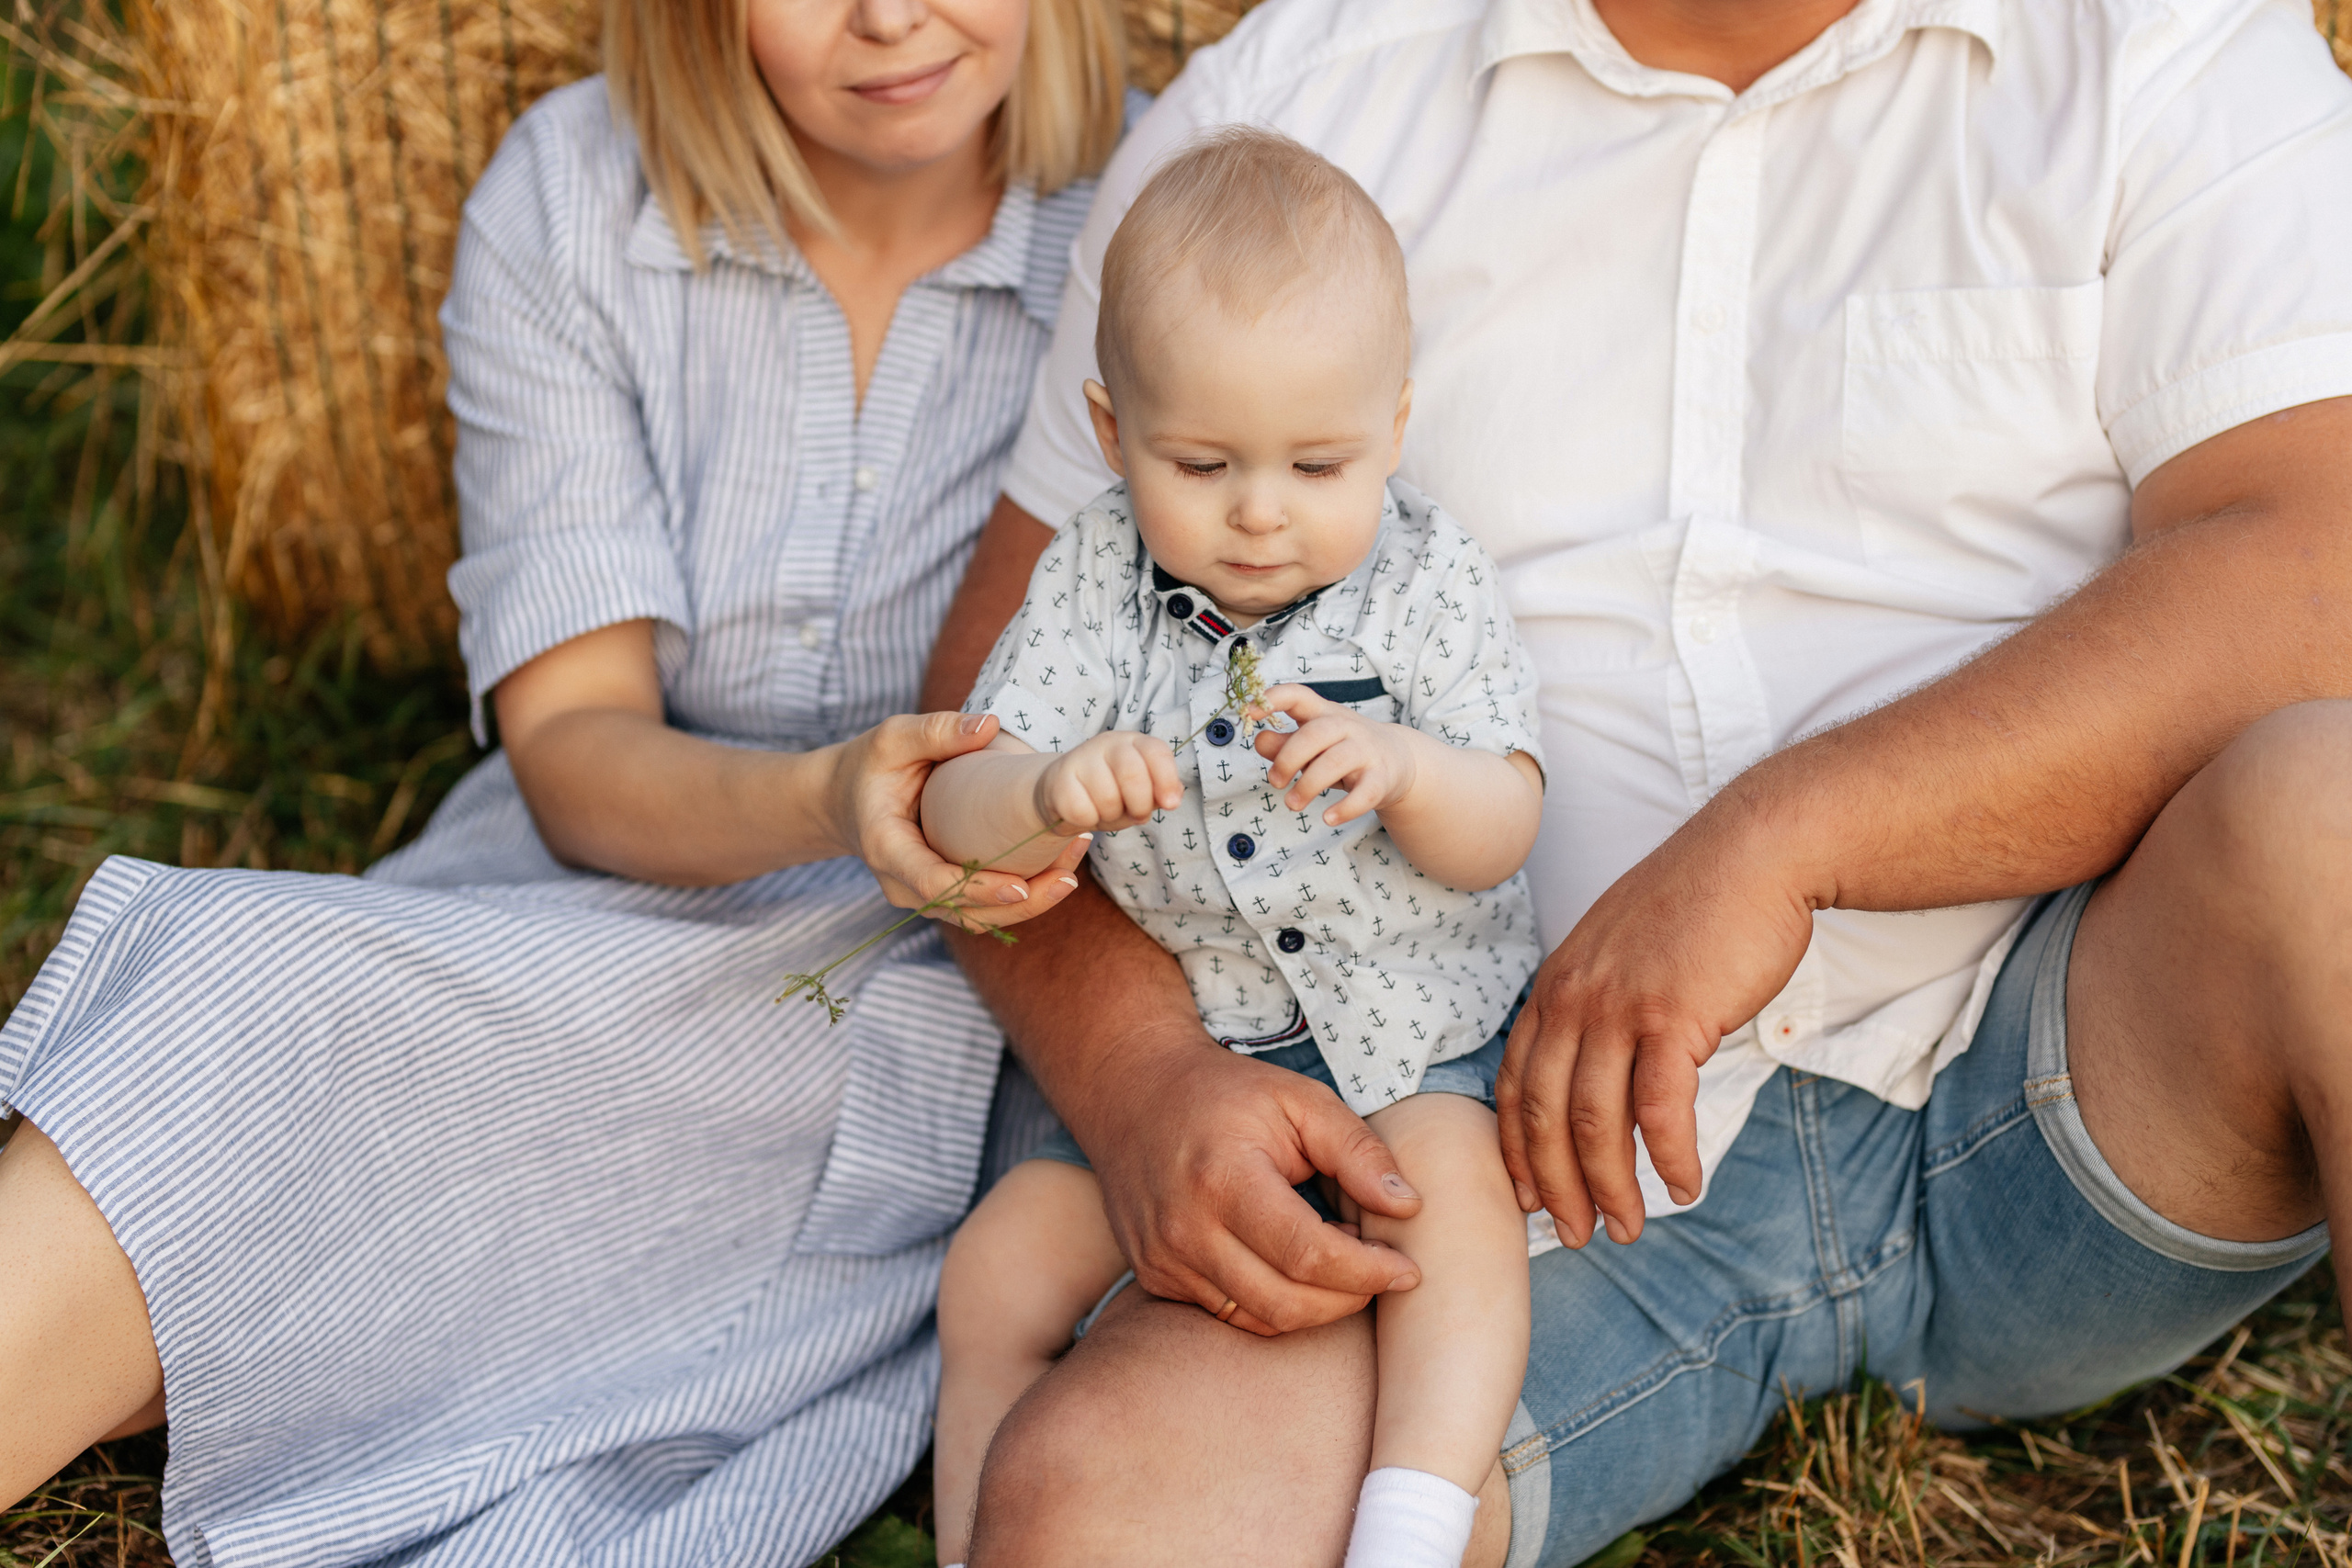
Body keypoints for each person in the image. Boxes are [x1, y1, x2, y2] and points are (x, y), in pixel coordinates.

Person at [909, 0, 2352, 1562]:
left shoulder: (2159, 43)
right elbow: (989, 714)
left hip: (2057, 1067)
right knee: (1104, 1519)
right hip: (1492, 1136)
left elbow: (2318, 568)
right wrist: (1140, 1083)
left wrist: (1784, 844)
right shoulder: (1293, 99)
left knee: (2336, 812)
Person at [0, 0, 1125, 1560]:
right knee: (243, 1021)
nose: (888, 17)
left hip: (921, 991)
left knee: (250, 1201)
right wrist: (823, 797)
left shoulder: (1148, 221)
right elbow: (578, 751)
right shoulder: (577, 198)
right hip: (609, 874)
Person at [922, 128, 1545, 1568]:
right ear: (1110, 433)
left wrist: (1405, 767)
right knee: (1005, 1255)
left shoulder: (1423, 577)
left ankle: (1414, 1512)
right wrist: (1041, 785)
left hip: (1408, 1044)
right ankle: (971, 1530)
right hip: (1193, 1065)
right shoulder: (1093, 581)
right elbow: (953, 825)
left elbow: (1503, 820)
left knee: (1451, 1204)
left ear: (1393, 426)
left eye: (1318, 462)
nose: (1260, 511)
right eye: (1199, 463)